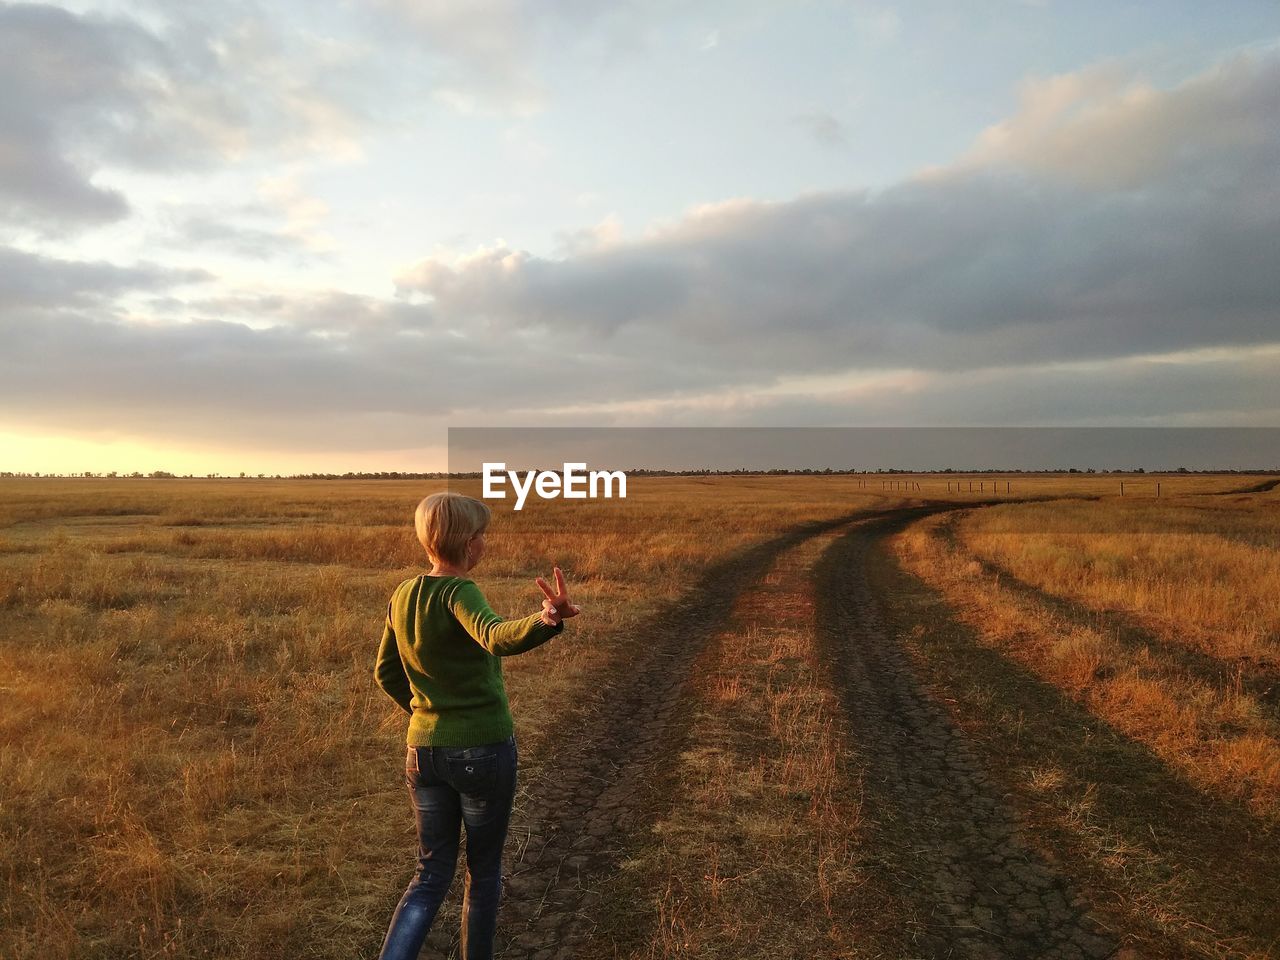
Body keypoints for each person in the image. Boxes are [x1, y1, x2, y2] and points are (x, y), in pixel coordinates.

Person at [374, 491, 581, 960]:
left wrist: (427, 717)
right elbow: (494, 635)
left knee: (429, 874)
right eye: (482, 535)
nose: (484, 543)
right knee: (483, 871)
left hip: (422, 754)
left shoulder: (402, 594)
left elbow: (385, 673)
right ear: (467, 542)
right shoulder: (459, 591)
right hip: (482, 751)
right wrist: (545, 620)